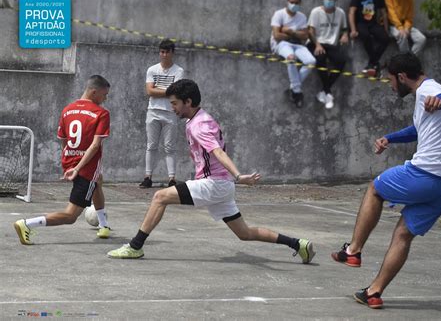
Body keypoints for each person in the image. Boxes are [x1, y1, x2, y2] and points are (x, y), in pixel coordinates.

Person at [108, 79, 315, 264]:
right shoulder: (200, 119)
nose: (172, 108)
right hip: (221, 186)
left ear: (187, 102)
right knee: (244, 233)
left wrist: (238, 176)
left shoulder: (199, 125)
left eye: (174, 103)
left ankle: (135, 246)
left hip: (214, 183)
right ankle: (298, 244)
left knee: (160, 197)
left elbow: (217, 152)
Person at [331, 53, 441, 309]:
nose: (391, 86)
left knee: (374, 189)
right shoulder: (428, 94)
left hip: (423, 175)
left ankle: (353, 251)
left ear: (402, 77)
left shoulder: (431, 92)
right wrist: (389, 138)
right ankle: (373, 292)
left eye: (391, 80)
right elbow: (419, 128)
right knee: (403, 234)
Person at [14, 75, 112, 244]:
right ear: (94, 92)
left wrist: (70, 164)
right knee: (71, 216)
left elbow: (63, 140)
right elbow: (95, 146)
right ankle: (27, 224)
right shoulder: (101, 113)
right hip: (86, 167)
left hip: (71, 162)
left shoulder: (67, 109)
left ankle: (103, 224)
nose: (106, 98)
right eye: (105, 94)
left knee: (98, 181)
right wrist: (79, 167)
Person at [139, 39, 184, 189]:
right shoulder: (152, 70)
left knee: (169, 147)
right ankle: (147, 177)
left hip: (170, 113)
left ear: (172, 53)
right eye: (162, 52)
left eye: (167, 52)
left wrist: (160, 90)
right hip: (153, 112)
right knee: (151, 145)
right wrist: (167, 90)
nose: (164, 55)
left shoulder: (179, 71)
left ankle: (172, 178)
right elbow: (149, 91)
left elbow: (177, 92)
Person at [271, 0, 316, 108]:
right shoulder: (279, 14)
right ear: (287, 1)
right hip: (281, 44)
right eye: (292, 2)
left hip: (298, 44)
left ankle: (293, 88)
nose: (294, 5)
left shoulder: (302, 16)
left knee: (311, 61)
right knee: (291, 58)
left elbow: (305, 36)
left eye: (297, 3)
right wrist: (296, 34)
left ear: (300, 3)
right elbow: (277, 36)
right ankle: (296, 91)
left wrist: (290, 31)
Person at [307, 0, 349, 109]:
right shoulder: (316, 12)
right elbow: (310, 32)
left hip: (331, 45)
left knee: (341, 60)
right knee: (320, 58)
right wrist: (317, 44)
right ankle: (328, 92)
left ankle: (324, 91)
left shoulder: (340, 13)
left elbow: (345, 28)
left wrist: (345, 35)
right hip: (315, 42)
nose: (328, 1)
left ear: (336, 0)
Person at [349, 0, 390, 76]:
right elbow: (351, 12)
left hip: (373, 24)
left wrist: (386, 30)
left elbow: (384, 13)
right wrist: (353, 30)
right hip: (361, 23)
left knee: (386, 38)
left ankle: (372, 63)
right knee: (365, 35)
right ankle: (375, 63)